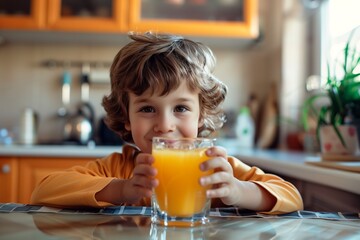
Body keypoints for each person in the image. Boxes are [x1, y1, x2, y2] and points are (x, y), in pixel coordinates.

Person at [31, 32, 303, 213]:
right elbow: (44, 190)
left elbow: (291, 196)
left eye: (181, 108)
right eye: (147, 108)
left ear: (201, 114)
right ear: (126, 118)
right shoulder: (119, 167)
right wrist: (121, 188)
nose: (164, 124)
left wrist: (237, 190)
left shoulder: (217, 169)